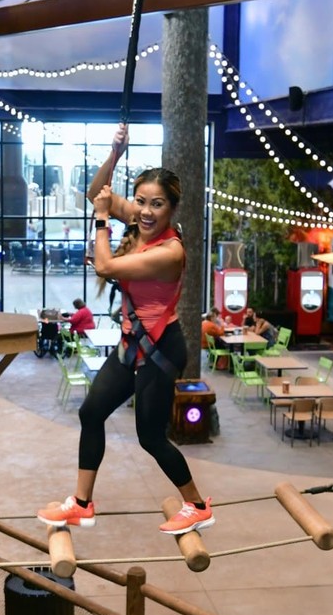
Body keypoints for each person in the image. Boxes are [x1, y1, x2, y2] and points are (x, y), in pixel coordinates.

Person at [38, 124, 213, 537]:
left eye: (157, 205)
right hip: (132, 345)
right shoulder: (141, 222)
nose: (146, 212)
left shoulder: (169, 252)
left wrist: (102, 221)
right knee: (91, 411)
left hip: (160, 348)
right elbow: (95, 192)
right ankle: (82, 504)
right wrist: (114, 155)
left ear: (172, 209)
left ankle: (197, 504)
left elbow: (105, 267)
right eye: (140, 202)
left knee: (150, 437)